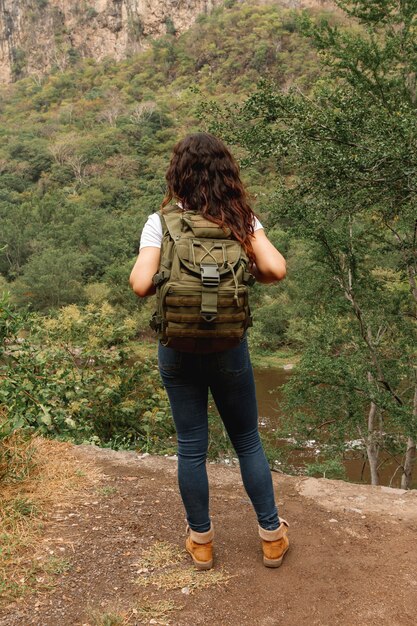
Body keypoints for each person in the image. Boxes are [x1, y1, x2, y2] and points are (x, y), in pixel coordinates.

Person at [129, 132, 289, 570]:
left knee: (191, 446)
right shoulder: (240, 218)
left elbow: (141, 285)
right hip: (229, 346)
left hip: (178, 348)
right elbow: (276, 268)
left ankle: (201, 541)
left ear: (177, 172)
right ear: (227, 172)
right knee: (247, 441)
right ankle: (272, 536)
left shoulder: (159, 222)